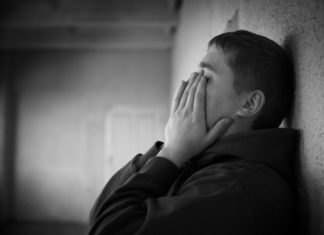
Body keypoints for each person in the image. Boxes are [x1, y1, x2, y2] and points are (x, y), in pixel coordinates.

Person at [88, 30, 298, 235]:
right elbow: (100, 213)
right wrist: (170, 149)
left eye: (205, 76)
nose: (189, 85)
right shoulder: (203, 159)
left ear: (249, 103)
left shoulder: (237, 187)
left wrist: (172, 153)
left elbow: (108, 228)